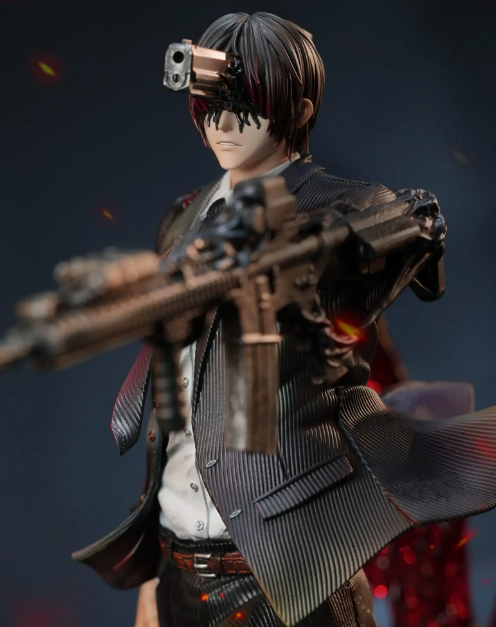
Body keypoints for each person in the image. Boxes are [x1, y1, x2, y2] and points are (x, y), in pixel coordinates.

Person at [72, 12, 496, 627]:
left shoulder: (346, 209)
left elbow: (386, 261)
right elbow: (177, 421)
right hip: (181, 572)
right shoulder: (185, 221)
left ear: (296, 109)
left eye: (244, 107)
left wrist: (308, 266)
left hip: (292, 576)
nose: (222, 124)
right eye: (212, 106)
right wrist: (156, 574)